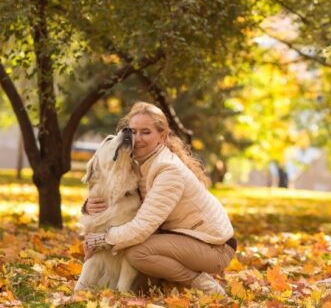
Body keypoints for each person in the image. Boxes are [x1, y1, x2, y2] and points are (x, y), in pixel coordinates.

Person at [82, 102, 236, 296]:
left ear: (162, 136)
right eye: (134, 131)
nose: (137, 139)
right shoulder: (141, 163)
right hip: (183, 237)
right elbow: (120, 197)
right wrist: (89, 206)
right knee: (145, 280)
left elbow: (141, 227)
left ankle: (205, 284)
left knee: (137, 254)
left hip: (215, 246)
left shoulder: (168, 170)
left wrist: (101, 239)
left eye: (146, 132)